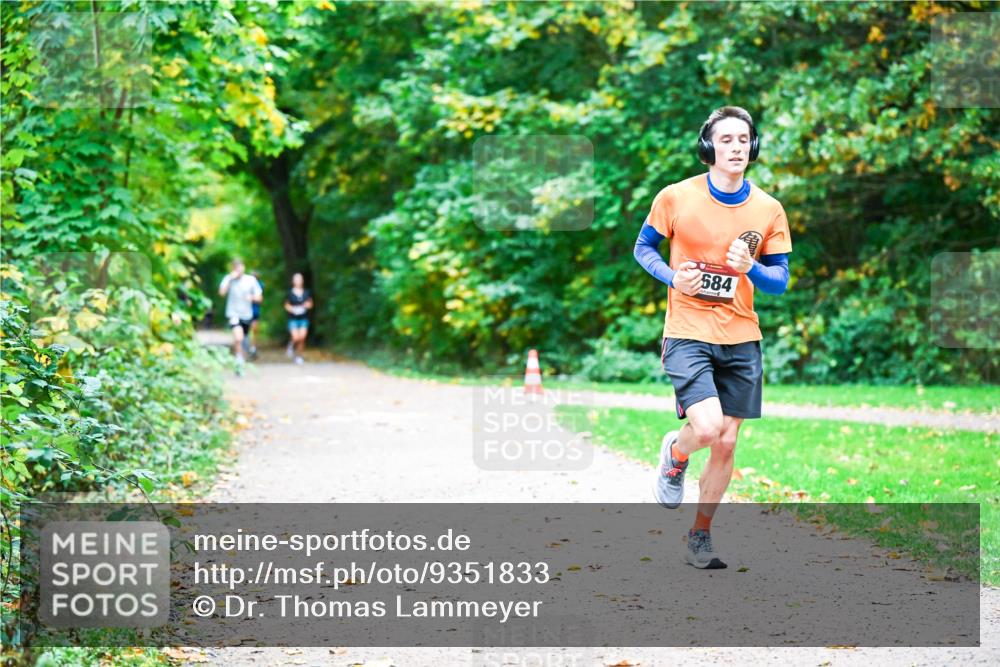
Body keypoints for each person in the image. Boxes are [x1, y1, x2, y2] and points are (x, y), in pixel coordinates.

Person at [633, 106, 792, 569]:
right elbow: (644, 248)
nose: (736, 148)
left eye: (744, 140)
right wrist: (671, 277)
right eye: (726, 140)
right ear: (709, 147)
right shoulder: (675, 197)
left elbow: (780, 280)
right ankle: (676, 452)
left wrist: (753, 269)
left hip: (741, 333)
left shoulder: (767, 209)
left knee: (726, 441)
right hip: (687, 328)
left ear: (753, 146)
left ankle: (700, 535)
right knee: (706, 429)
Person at [218, 259, 262, 372]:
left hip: (247, 315)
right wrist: (229, 279)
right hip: (233, 313)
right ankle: (239, 359)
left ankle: (242, 355)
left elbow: (259, 298)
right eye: (236, 267)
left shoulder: (251, 280)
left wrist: (251, 298)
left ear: (244, 267)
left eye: (241, 267)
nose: (239, 269)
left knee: (244, 339)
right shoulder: (229, 279)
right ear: (233, 269)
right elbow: (222, 293)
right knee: (238, 337)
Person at [284, 272, 313, 365]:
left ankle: (299, 356)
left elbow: (310, 304)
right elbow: (286, 305)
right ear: (293, 281)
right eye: (296, 279)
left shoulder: (306, 292)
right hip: (293, 318)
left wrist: (306, 305)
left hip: (303, 318)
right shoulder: (290, 293)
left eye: (300, 279)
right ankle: (291, 345)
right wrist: (292, 309)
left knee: (302, 338)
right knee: (296, 337)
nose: (298, 281)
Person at [247, 271, 263, 360]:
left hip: (254, 312)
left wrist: (251, 298)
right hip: (244, 312)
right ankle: (248, 348)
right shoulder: (244, 286)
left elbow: (260, 299)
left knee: (253, 331)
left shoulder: (259, 286)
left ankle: (253, 348)